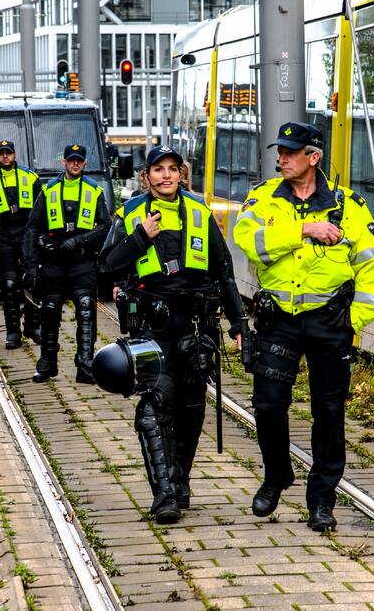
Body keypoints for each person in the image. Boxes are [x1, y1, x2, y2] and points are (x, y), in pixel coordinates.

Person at [233, 122, 374, 532]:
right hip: (279, 320)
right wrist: (303, 229)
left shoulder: (349, 205)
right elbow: (249, 242)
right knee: (267, 404)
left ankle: (322, 500)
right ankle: (277, 474)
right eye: (279, 151)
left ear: (313, 157)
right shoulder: (262, 198)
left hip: (329, 323)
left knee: (329, 412)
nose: (281, 158)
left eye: (290, 151)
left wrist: (352, 321)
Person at [98, 145, 246, 523]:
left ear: (182, 174)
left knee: (192, 409)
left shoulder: (200, 212)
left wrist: (239, 324)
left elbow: (225, 272)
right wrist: (140, 238)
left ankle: (181, 481)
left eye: (172, 169)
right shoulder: (130, 213)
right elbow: (105, 264)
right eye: (158, 170)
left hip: (198, 327)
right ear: (147, 175)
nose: (166, 176)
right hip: (153, 328)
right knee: (154, 407)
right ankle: (163, 494)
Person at [23, 144, 111, 383]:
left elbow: (105, 226)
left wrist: (80, 241)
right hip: (53, 263)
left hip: (82, 261)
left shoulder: (94, 191)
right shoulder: (49, 189)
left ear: (84, 163)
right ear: (63, 162)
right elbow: (32, 227)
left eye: (79, 160)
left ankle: (85, 364)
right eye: (71, 160)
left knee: (85, 308)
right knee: (50, 310)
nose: (75, 164)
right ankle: (47, 362)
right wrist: (31, 265)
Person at [0, 139, 41, 349]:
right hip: (4, 238)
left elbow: (42, 204)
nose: (5, 156)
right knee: (9, 285)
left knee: (34, 282)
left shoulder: (29, 177)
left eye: (9, 153)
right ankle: (13, 332)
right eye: (1, 153)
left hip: (27, 236)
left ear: (14, 155)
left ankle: (32, 325)